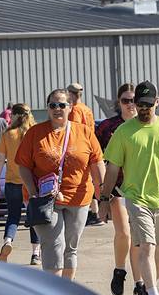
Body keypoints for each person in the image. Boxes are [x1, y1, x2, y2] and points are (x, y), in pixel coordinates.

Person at [99, 81, 159, 295]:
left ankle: (150, 286)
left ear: (157, 102)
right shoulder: (124, 132)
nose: (144, 109)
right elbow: (112, 169)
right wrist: (104, 198)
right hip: (137, 199)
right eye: (140, 105)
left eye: (148, 104)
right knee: (146, 246)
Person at [15, 89, 105, 281]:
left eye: (62, 105)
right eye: (53, 105)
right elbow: (23, 166)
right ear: (47, 108)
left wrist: (103, 197)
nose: (57, 109)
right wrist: (32, 192)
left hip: (79, 198)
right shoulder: (35, 133)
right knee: (54, 246)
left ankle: (67, 292)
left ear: (70, 107)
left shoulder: (84, 132)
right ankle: (54, 294)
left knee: (71, 248)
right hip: (46, 199)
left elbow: (97, 163)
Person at [96, 83, 144, 295]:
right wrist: (101, 192)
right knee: (124, 232)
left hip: (141, 188)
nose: (131, 104)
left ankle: (140, 283)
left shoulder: (144, 125)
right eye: (126, 100)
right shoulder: (107, 127)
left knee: (139, 238)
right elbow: (95, 159)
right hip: (116, 188)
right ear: (119, 102)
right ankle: (119, 269)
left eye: (134, 100)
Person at [0, 103, 41, 265]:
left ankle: (8, 241)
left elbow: (1, 160)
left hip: (12, 182)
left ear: (14, 116)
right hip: (30, 183)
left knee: (13, 216)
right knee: (33, 218)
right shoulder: (34, 133)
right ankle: (35, 253)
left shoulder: (7, 134)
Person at [67, 82, 102, 226]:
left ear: (70, 94)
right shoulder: (87, 109)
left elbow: (73, 130)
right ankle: (95, 212)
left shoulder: (74, 110)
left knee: (82, 180)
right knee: (90, 179)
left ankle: (89, 211)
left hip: (79, 147)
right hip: (90, 144)